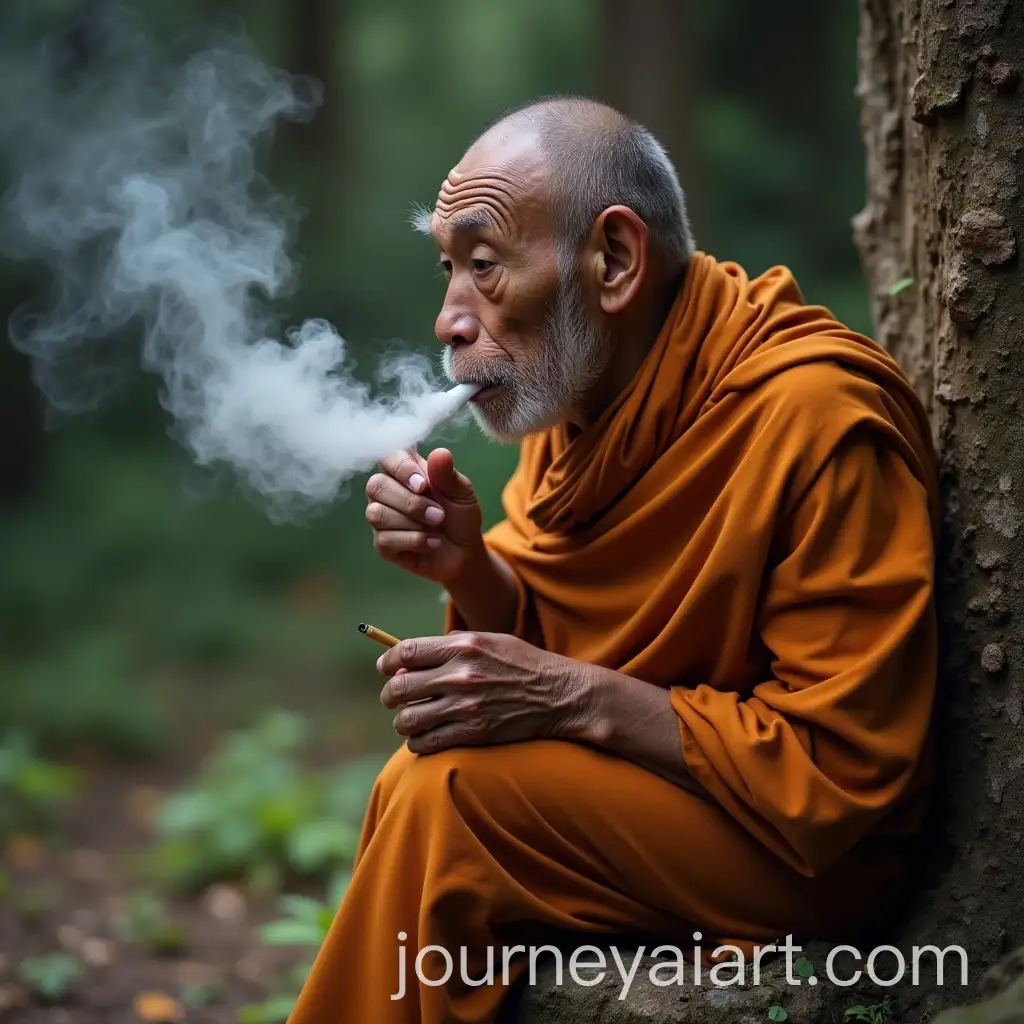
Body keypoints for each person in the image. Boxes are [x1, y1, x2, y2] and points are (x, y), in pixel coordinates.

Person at [290, 96, 939, 1024]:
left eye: (483, 267)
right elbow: (565, 634)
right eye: (447, 270)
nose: (448, 320)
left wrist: (566, 695)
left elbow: (836, 776)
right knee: (426, 783)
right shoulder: (584, 405)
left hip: (808, 859)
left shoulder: (814, 422)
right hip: (654, 801)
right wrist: (471, 570)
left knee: (451, 798)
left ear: (615, 260)